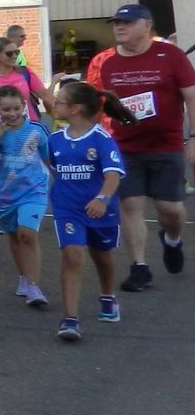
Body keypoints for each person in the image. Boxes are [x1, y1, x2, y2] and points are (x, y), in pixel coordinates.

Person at [94, 4, 195, 292]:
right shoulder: (109, 63)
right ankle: (140, 267)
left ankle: (172, 239)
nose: (119, 27)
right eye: (116, 22)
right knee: (131, 205)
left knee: (171, 209)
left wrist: (194, 138)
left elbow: (191, 97)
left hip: (167, 144)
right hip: (126, 146)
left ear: (147, 25)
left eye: (127, 22)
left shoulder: (171, 55)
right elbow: (108, 104)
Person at [49, 82, 135, 339]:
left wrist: (102, 199)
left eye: (59, 101)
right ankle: (70, 319)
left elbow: (113, 176)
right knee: (72, 256)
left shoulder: (102, 140)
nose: (54, 105)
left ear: (75, 109)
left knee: (102, 256)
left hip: (99, 209)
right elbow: (54, 168)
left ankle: (108, 297)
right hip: (68, 209)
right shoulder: (55, 140)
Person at [0, 86, 53, 309]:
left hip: (34, 191)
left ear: (24, 106)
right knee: (14, 236)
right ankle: (23, 276)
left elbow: (49, 159)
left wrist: (63, 185)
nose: (12, 113)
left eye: (16, 108)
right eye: (6, 109)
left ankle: (34, 285)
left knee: (27, 234)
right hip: (5, 195)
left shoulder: (37, 130)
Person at [0, 39, 53, 129]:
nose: (14, 56)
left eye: (16, 52)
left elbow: (46, 96)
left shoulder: (25, 72)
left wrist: (59, 116)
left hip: (27, 129)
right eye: (9, 53)